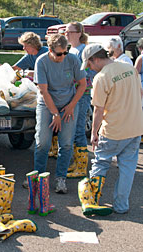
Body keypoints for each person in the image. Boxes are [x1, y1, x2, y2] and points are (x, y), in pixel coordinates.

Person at [78, 44, 143, 215]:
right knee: (127, 168)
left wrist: (94, 133)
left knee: (101, 162)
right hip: (135, 127)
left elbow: (98, 109)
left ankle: (92, 200)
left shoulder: (102, 77)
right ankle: (121, 206)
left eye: (90, 64)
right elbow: (140, 93)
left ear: (96, 59)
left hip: (113, 129)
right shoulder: (130, 69)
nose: (90, 68)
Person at [33, 34, 87, 193]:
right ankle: (39, 177)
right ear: (50, 50)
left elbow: (82, 85)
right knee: (43, 141)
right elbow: (43, 91)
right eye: (59, 54)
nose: (63, 56)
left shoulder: (72, 60)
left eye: (65, 52)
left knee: (67, 143)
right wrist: (55, 114)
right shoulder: (41, 61)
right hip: (47, 104)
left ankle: (60, 179)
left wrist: (71, 106)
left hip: (68, 104)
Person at [65, 21, 94, 178]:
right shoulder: (73, 49)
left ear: (79, 33)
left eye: (69, 32)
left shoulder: (84, 50)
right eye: (65, 32)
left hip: (82, 94)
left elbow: (89, 73)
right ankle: (77, 162)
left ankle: (82, 166)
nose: (66, 34)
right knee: (74, 128)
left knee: (78, 129)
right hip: (74, 93)